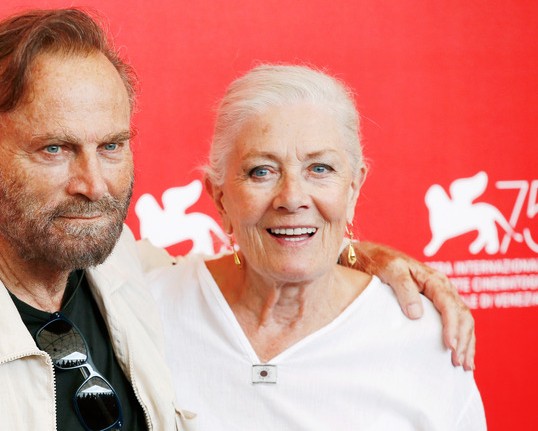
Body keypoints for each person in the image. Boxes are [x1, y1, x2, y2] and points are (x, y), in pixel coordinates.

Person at [0, 9, 474, 430]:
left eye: (112, 146)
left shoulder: (114, 266)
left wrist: (362, 255)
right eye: (54, 149)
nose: (93, 184)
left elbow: (276, 254)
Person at [147, 64, 486, 430]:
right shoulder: (144, 311)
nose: (292, 198)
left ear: (353, 189)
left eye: (320, 169)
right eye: (262, 171)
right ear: (220, 197)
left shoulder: (419, 333)